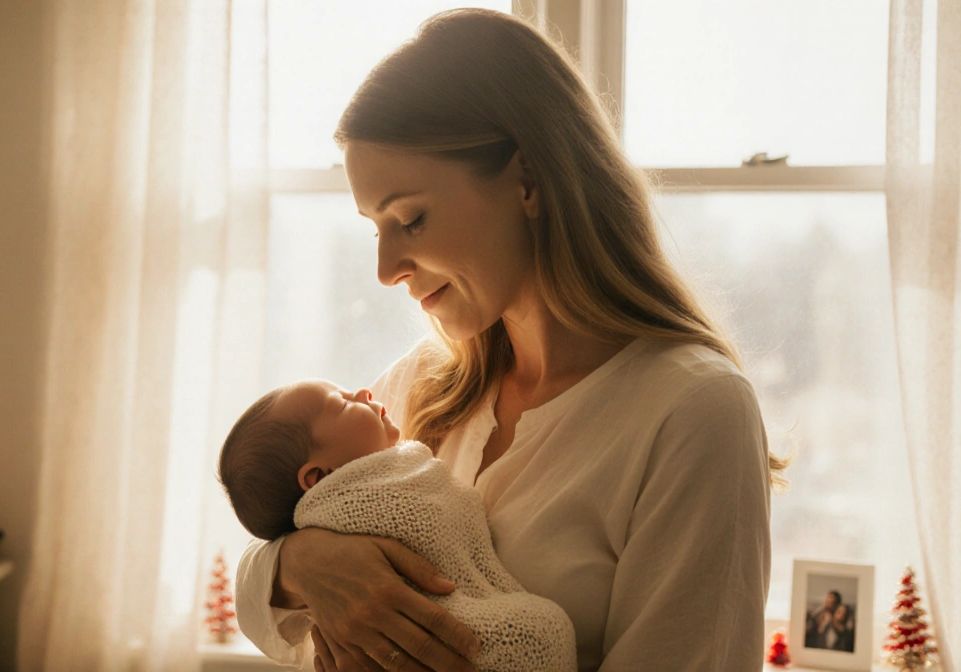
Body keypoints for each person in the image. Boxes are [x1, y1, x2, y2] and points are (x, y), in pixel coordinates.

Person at [234, 8, 786, 672]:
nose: (385, 271)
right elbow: (267, 572)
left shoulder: (692, 413)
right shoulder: (422, 386)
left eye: (409, 218)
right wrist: (302, 562)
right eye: (372, 228)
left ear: (527, 179)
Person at [217, 380, 577, 671]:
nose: (363, 392)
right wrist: (299, 559)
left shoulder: (371, 447)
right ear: (318, 476)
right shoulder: (348, 494)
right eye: (342, 403)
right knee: (540, 634)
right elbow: (261, 553)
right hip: (451, 643)